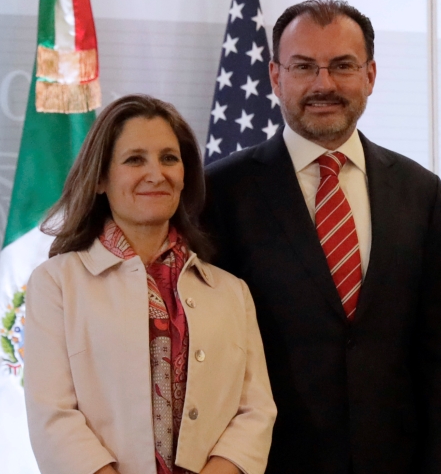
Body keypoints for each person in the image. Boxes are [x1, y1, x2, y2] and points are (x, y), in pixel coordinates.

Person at [202, 0, 441, 474]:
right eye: (304, 67)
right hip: (268, 461)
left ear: (370, 76)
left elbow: (437, 357)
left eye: (342, 66)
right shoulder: (221, 193)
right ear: (275, 77)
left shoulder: (419, 191)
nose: (324, 84)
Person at [23, 95, 276, 474]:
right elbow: (53, 417)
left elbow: (255, 412)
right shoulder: (56, 283)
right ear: (100, 179)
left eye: (169, 158)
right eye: (134, 159)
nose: (156, 173)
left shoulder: (231, 292)